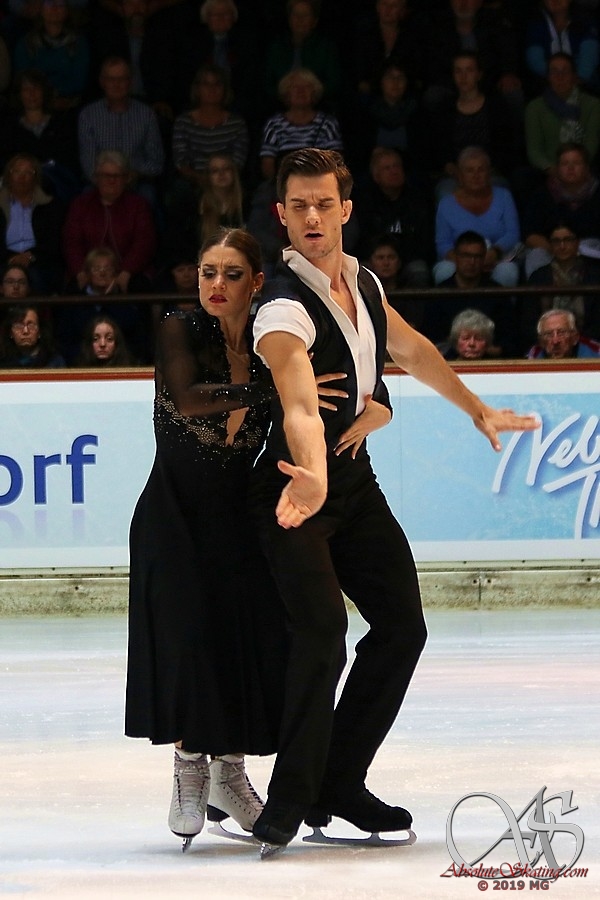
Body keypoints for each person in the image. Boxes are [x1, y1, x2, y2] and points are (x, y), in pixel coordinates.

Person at [248, 148, 538, 854]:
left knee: (403, 627)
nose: (313, 216)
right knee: (322, 632)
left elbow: (412, 351)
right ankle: (289, 800)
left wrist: (475, 407)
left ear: (345, 209)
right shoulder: (280, 305)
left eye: (324, 203)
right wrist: (311, 470)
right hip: (293, 487)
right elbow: (298, 401)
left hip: (352, 483)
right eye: (299, 205)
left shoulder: (365, 283)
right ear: (282, 214)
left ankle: (338, 782)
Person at [124, 226, 377, 849]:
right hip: (174, 518)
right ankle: (189, 766)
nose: (216, 285)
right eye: (207, 272)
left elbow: (353, 381)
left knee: (241, 643)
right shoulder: (180, 329)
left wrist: (380, 406)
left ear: (257, 283)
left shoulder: (274, 342)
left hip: (240, 518)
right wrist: (277, 386)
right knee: (189, 640)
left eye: (232, 274)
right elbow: (188, 398)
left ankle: (229, 774)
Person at [77, 56, 165, 208]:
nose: (116, 84)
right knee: (86, 198)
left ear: (130, 82)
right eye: (111, 79)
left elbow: (156, 162)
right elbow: (88, 164)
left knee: (148, 196)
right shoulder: (88, 115)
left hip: (137, 182)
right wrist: (110, 180)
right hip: (99, 182)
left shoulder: (147, 114)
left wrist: (132, 174)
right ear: (102, 82)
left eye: (122, 79)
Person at [434, 146, 520, 287]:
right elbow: (443, 243)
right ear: (460, 175)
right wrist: (465, 260)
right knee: (444, 271)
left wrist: (494, 253)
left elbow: (512, 234)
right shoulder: (446, 204)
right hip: (460, 261)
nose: (476, 175)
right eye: (469, 170)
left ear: (489, 173)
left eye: (481, 169)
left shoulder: (504, 196)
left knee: (508, 271)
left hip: (497, 259)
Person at [424, 229, 516, 355]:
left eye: (477, 257)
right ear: (455, 257)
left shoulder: (497, 293)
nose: (472, 262)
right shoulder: (439, 294)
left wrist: (486, 350)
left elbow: (509, 340)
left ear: (484, 258)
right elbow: (430, 339)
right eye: (466, 256)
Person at [352, 146, 432, 285]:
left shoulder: (417, 199)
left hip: (408, 258)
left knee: (419, 270)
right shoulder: (364, 202)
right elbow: (363, 239)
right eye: (387, 168)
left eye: (396, 166)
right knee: (360, 271)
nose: (394, 171)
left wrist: (398, 257)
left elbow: (424, 239)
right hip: (375, 257)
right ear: (376, 176)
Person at [259, 68, 343, 182]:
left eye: (307, 87)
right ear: (286, 93)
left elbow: (336, 162)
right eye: (295, 87)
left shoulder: (327, 123)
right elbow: (267, 163)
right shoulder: (274, 124)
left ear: (314, 93)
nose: (301, 91)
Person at [524, 52, 600, 179]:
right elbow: (534, 151)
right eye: (554, 72)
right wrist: (551, 169)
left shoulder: (593, 105)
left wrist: (575, 168)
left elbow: (591, 145)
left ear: (574, 76)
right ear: (548, 77)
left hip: (583, 167)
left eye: (565, 71)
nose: (560, 77)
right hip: (548, 171)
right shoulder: (535, 107)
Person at [522, 223, 600, 342]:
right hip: (548, 342)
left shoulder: (595, 275)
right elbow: (529, 320)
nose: (562, 246)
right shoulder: (538, 276)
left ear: (577, 242)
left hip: (588, 342)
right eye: (556, 241)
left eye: (568, 240)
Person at [0, 151, 65, 293]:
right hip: (4, 260)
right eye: (17, 171)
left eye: (28, 172)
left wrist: (30, 256)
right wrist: (11, 258)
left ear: (36, 177)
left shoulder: (50, 205)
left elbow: (52, 242)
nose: (22, 177)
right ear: (8, 175)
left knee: (36, 278)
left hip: (39, 261)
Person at [12, 0, 90, 111]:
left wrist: (58, 95)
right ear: (41, 9)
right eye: (49, 3)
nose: (54, 8)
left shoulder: (78, 43)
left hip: (69, 103)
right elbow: (24, 77)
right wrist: (45, 98)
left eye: (60, 4)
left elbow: (79, 80)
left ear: (67, 10)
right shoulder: (26, 43)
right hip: (34, 103)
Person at [0, 303, 65, 367]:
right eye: (19, 326)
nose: (26, 331)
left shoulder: (54, 361)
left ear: (39, 332)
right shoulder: (3, 361)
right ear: (10, 333)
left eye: (31, 325)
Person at [527, 307, 600, 358]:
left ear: (575, 337)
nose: (555, 341)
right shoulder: (534, 356)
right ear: (541, 342)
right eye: (549, 334)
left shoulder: (595, 352)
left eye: (561, 333)